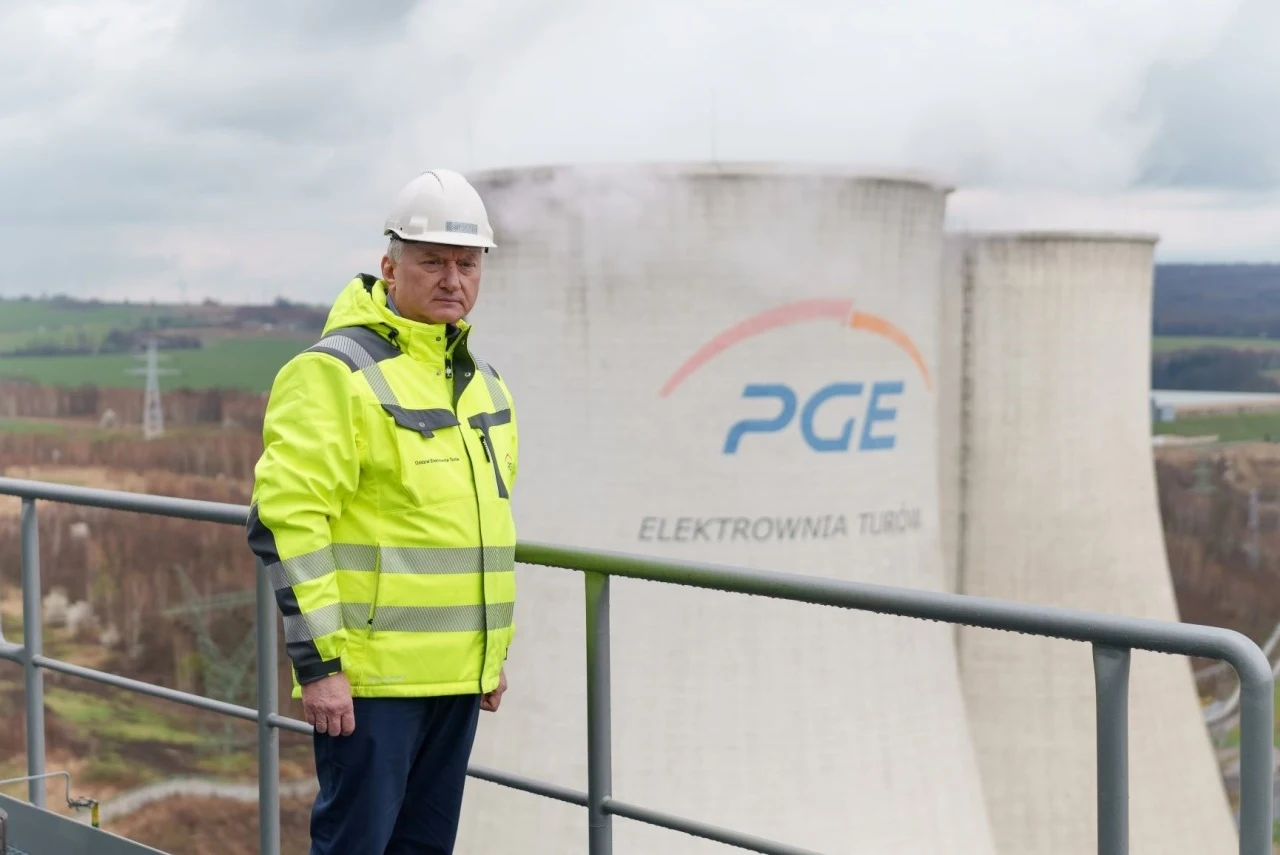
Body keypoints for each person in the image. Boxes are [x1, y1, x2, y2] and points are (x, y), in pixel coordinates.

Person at [246, 169, 519, 855]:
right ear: (390, 267)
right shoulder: (334, 373)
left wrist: (490, 655)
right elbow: (287, 520)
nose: (452, 279)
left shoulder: (486, 387)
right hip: (370, 683)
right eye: (432, 262)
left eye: (467, 264)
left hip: (458, 675)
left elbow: (482, 531)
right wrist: (320, 666)